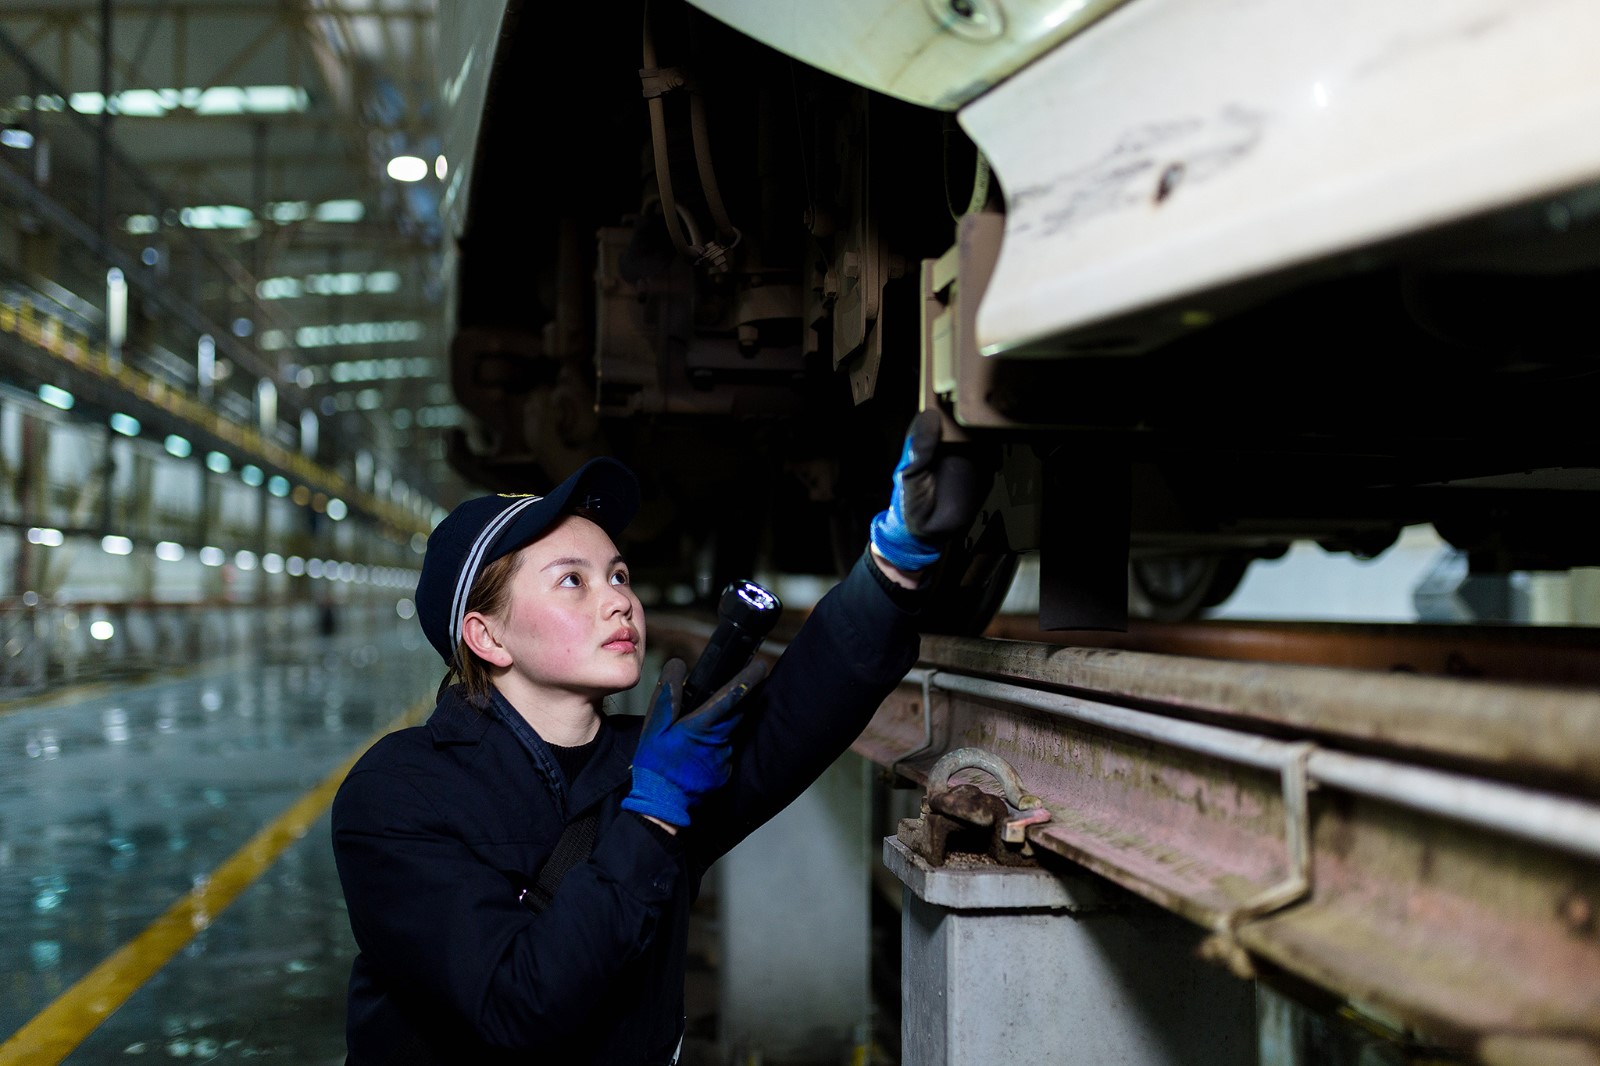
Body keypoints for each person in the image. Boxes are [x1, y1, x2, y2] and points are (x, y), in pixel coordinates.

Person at [330, 411, 977, 1064]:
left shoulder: (652, 760)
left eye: (617, 575)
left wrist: (894, 566)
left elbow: (794, 717)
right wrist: (653, 815)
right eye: (572, 581)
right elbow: (513, 1008)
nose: (619, 601)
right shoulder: (397, 795)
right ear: (487, 636)